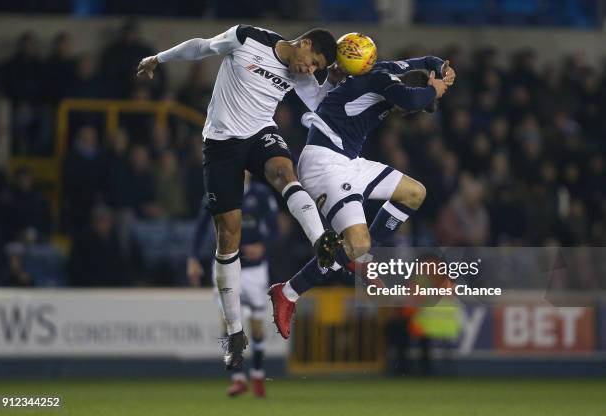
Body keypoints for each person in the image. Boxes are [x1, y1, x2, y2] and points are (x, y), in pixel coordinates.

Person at [138, 24, 342, 370]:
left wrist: (348, 79)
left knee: (284, 171)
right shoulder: (248, 38)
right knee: (227, 235)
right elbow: (201, 46)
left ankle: (322, 241)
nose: (310, 70)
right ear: (304, 43)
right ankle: (234, 332)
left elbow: (331, 104)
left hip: (261, 132)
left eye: (316, 68)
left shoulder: (303, 78)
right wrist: (160, 57)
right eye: (313, 62)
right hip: (221, 145)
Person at [268, 57, 456, 339]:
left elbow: (421, 62)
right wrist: (437, 88)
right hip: (324, 164)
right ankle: (288, 292)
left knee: (414, 193)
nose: (403, 113)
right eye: (406, 110)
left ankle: (362, 258)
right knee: (356, 242)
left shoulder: (391, 71)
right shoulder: (385, 82)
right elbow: (412, 100)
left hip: (348, 161)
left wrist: (441, 66)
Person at [188, 173, 278, 397]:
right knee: (227, 322)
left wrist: (263, 246)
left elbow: (275, 229)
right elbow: (200, 228)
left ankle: (257, 373)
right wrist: (193, 258)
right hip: (224, 265)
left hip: (254, 268)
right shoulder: (216, 192)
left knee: (256, 325)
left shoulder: (262, 194)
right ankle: (238, 378)